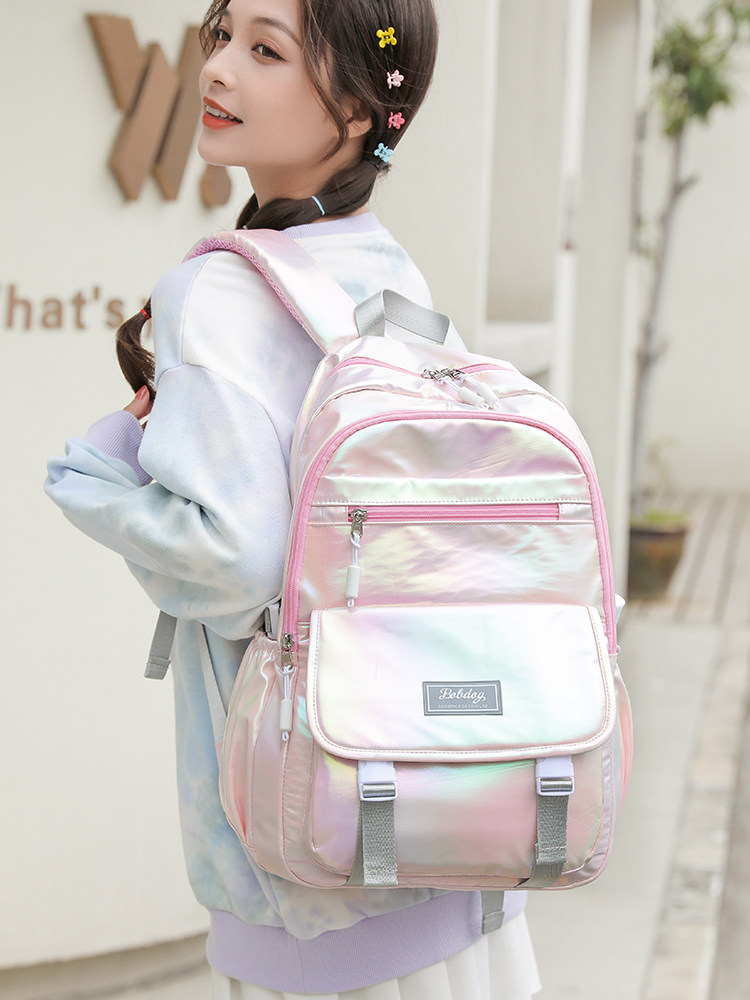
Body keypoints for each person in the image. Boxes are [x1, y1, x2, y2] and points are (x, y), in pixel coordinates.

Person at [45, 0, 541, 996]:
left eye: (265, 50)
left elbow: (234, 562)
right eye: (222, 36)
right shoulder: (386, 267)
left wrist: (99, 480)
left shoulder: (215, 295)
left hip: (313, 868)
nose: (219, 70)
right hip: (444, 813)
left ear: (356, 108)